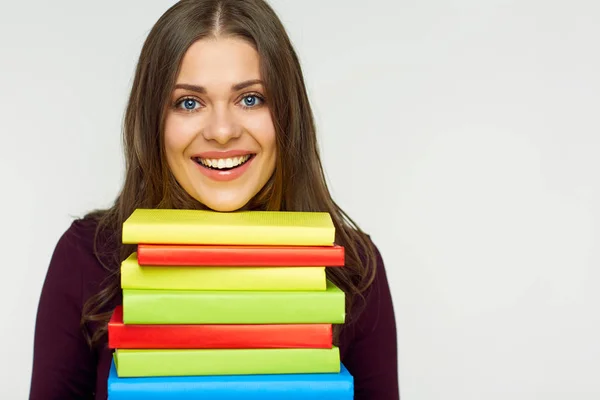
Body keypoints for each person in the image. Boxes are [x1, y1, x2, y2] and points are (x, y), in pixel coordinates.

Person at [29, 0, 399, 398]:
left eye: (251, 98)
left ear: (287, 114)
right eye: (189, 102)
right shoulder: (86, 259)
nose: (222, 131)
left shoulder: (356, 270)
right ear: (154, 121)